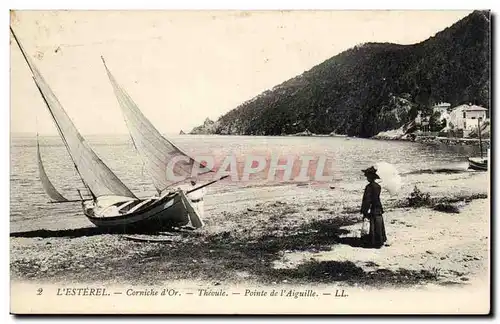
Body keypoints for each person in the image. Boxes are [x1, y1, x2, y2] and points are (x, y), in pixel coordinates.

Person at [360, 166, 387, 248]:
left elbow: (367, 199)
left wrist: (364, 210)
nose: (366, 178)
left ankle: (374, 241)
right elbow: (376, 198)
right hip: (378, 206)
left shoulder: (368, 187)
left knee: (373, 223)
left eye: (367, 176)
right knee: (379, 223)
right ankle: (381, 240)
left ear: (370, 177)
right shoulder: (378, 186)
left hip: (372, 207)